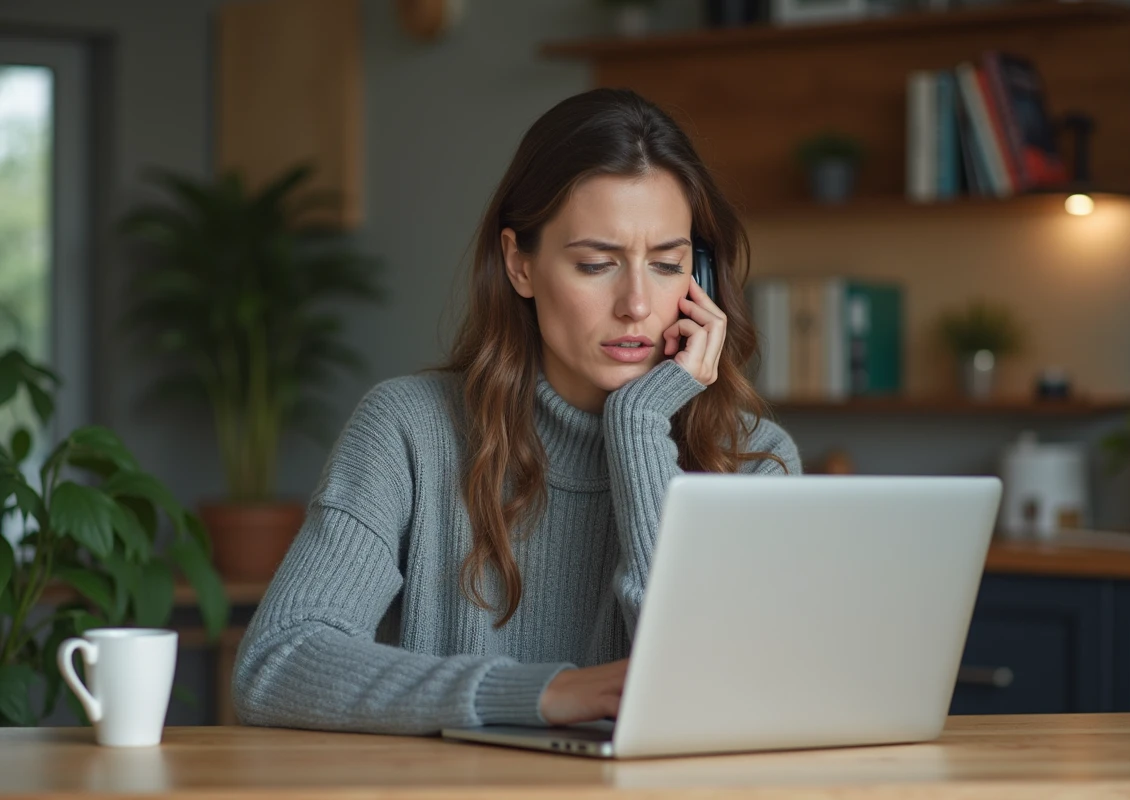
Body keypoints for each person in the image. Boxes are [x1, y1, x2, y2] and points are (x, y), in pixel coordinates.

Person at [232, 88, 802, 735]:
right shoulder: (407, 430)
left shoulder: (752, 461)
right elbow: (277, 663)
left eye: (667, 264)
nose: (638, 304)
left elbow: (714, 696)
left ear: (698, 276)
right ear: (519, 264)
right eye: (596, 264)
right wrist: (541, 693)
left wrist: (640, 427)